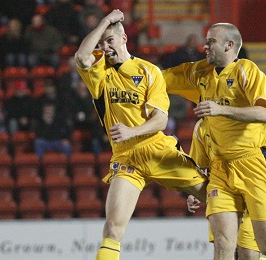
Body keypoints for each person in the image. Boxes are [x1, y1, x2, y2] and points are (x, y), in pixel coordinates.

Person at [162, 22, 266, 258]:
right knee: (224, 246)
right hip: (220, 172)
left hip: (253, 165)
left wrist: (221, 109)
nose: (205, 46)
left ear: (229, 45)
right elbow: (156, 78)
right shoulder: (200, 74)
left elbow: (264, 113)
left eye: (211, 41)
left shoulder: (246, 70)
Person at [74, 9, 208, 260]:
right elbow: (82, 57)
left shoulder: (149, 71)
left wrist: (131, 130)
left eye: (110, 41)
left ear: (124, 39)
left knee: (217, 199)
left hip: (158, 150)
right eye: (102, 44)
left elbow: (161, 119)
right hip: (126, 158)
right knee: (112, 229)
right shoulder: (100, 72)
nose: (106, 48)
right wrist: (105, 22)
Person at [186, 118, 266, 260]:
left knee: (261, 251)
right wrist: (194, 192)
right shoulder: (201, 127)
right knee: (223, 245)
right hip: (222, 184)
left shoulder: (247, 121)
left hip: (255, 182)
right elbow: (200, 166)